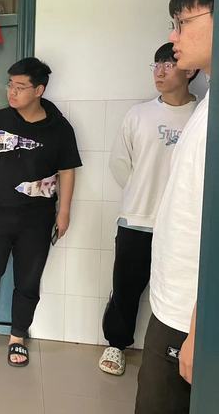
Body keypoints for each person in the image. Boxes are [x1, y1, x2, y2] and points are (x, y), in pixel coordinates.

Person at [0, 57, 81, 367]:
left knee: (28, 278)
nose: (12, 91)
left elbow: (67, 171)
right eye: (10, 84)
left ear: (39, 90)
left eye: (20, 87)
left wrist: (64, 212)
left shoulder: (59, 127)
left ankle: (18, 336)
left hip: (37, 217)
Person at [135, 0, 214, 414]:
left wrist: (202, 329)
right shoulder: (208, 107)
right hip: (178, 306)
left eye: (183, 22)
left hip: (192, 314)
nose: (174, 36)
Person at [99, 43, 198, 376]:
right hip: (137, 219)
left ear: (190, 70)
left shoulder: (201, 116)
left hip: (183, 226)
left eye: (168, 65)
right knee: (125, 286)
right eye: (156, 65)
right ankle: (116, 345)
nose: (159, 71)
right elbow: (120, 163)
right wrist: (142, 193)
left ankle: (178, 349)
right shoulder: (138, 115)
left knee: (180, 289)